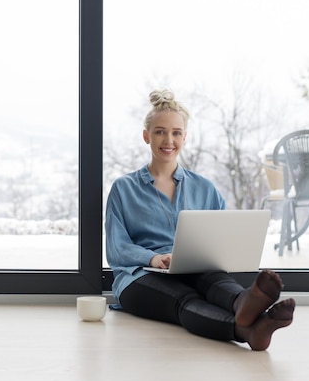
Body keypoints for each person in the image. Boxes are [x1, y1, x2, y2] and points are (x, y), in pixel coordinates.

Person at [105, 88, 295, 351]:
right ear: (146, 136)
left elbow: (221, 238)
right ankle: (245, 329)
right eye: (160, 131)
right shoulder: (124, 188)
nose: (168, 139)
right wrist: (153, 258)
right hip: (138, 277)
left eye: (176, 132)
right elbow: (116, 248)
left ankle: (244, 303)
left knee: (217, 282)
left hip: (193, 268)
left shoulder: (205, 188)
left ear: (184, 137)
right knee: (186, 299)